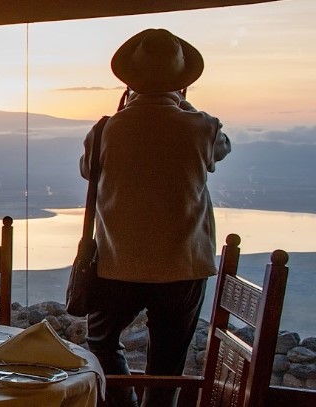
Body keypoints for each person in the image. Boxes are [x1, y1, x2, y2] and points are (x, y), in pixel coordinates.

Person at [81, 28, 231, 407]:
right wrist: (185, 107)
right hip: (183, 267)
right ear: (182, 83)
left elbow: (87, 170)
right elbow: (222, 149)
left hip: (116, 264)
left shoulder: (106, 130)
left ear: (130, 83)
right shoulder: (202, 126)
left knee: (101, 341)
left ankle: (123, 403)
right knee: (168, 362)